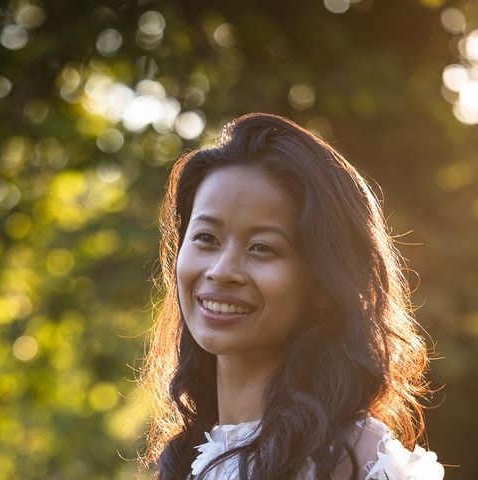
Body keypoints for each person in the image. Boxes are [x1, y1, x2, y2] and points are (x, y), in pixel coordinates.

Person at [139, 113, 445, 479]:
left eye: (262, 248)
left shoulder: (357, 462)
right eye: (207, 238)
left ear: (323, 284)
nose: (221, 270)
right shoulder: (190, 455)